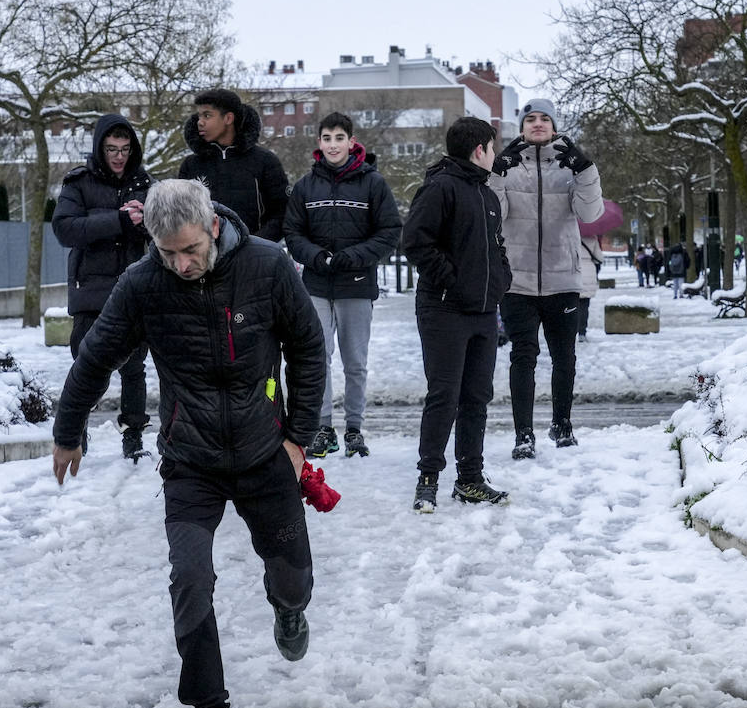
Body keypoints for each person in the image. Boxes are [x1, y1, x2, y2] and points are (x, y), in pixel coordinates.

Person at [50, 179, 326, 708]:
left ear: (213, 227)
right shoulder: (143, 283)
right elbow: (96, 355)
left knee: (294, 577)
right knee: (191, 579)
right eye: (167, 252)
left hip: (264, 452)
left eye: (189, 250)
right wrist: (67, 431)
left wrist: (298, 439)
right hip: (190, 461)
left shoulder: (268, 266)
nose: (180, 263)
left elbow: (308, 348)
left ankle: (288, 606)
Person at [489, 98, 622, 458]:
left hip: (563, 278)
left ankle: (562, 425)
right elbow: (495, 214)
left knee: (565, 357)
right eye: (530, 118)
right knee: (523, 356)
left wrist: (586, 168)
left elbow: (590, 212)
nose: (536, 124)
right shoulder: (509, 167)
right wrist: (497, 171)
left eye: (544, 118)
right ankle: (524, 434)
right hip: (517, 281)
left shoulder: (569, 167)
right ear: (521, 126)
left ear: (554, 125)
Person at [401, 116, 513, 513]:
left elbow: (495, 247)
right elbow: (415, 242)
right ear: (479, 149)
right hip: (444, 310)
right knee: (443, 396)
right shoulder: (439, 188)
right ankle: (427, 479)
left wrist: (501, 278)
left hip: (484, 312)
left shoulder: (486, 194)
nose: (496, 155)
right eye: (493, 147)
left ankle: (470, 480)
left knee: (477, 398)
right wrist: (452, 281)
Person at [284, 112, 403, 459]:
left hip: (356, 285)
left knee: (355, 362)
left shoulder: (373, 183)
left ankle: (354, 428)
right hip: (317, 286)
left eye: (339, 137)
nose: (333, 144)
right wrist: (315, 256)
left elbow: (389, 232)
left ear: (352, 142)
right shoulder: (306, 186)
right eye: (326, 138)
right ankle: (323, 427)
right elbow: (293, 232)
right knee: (318, 358)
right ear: (318, 143)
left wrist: (354, 256)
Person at [51, 113, 155, 461]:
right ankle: (75, 432)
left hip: (132, 287)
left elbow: (163, 231)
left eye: (125, 149)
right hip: (91, 290)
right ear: (99, 147)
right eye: (111, 148)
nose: (118, 156)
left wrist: (145, 223)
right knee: (84, 362)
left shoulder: (145, 183)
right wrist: (119, 221)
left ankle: (134, 435)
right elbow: (65, 229)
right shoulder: (78, 183)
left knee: (133, 367)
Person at [178, 88, 289, 241]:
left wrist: (255, 245)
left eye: (207, 115)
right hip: (205, 258)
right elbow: (181, 213)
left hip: (254, 257)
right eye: (199, 116)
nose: (200, 122)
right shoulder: (191, 165)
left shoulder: (265, 161)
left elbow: (282, 213)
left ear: (228, 118)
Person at [576, 221, 607, 341]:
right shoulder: (592, 238)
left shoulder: (568, 236)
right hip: (588, 271)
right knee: (584, 306)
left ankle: (570, 331)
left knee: (571, 305)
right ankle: (582, 333)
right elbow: (599, 258)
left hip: (573, 271)